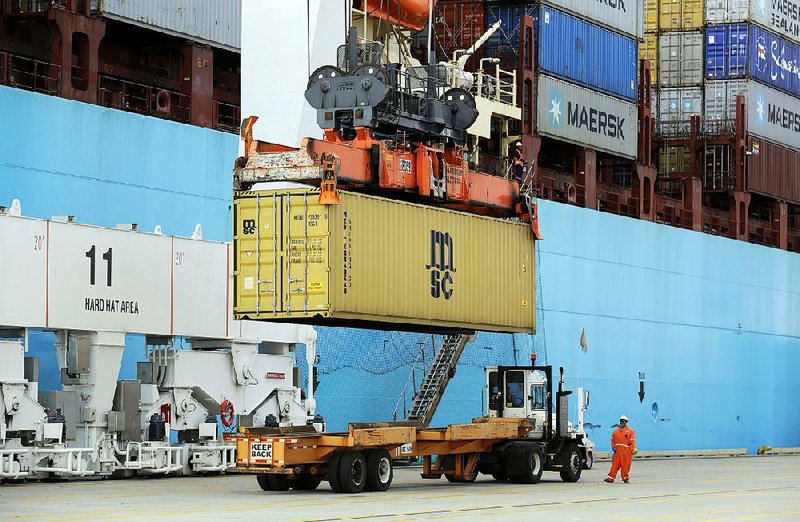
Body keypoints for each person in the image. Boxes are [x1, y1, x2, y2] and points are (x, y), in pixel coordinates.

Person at [605, 415, 637, 483]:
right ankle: (610, 478)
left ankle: (625, 478)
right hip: (617, 452)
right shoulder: (615, 432)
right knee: (614, 465)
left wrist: (631, 450)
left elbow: (632, 441)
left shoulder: (630, 431)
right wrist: (613, 447)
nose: (622, 422)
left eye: (623, 421)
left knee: (625, 466)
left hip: (626, 452)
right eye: (621, 421)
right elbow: (612, 440)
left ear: (626, 422)